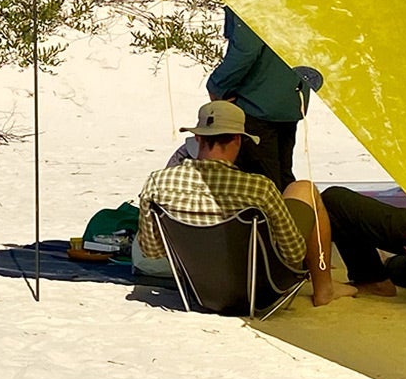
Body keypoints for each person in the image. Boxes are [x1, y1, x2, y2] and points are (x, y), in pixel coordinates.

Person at [138, 100, 352, 306]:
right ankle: (325, 288)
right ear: (238, 139)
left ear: (198, 138)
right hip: (259, 291)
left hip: (197, 288)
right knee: (303, 188)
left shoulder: (158, 182)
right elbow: (293, 253)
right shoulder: (258, 188)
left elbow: (152, 251)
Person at [206, 8, 306, 191]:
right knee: (283, 178)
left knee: (260, 185)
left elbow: (247, 48)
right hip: (289, 100)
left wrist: (217, 85)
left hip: (255, 104)